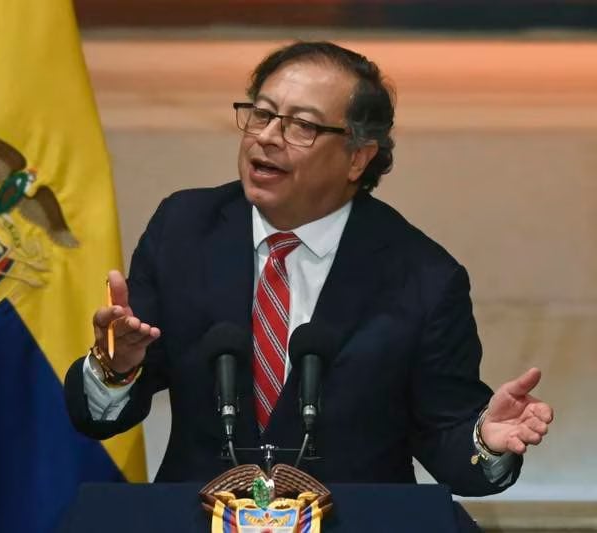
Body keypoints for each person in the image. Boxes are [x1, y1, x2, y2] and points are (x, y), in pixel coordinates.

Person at [64, 41, 553, 496]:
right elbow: (101, 417)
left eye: (302, 126)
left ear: (358, 158)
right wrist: (115, 366)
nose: (267, 137)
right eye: (261, 114)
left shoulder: (423, 277)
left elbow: (448, 440)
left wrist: (486, 441)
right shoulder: (184, 229)